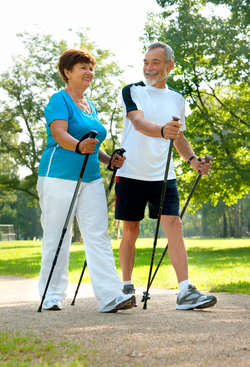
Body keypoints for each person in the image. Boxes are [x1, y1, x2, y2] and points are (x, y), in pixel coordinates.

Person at [115, 42, 217, 310]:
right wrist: (163, 131)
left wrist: (193, 161)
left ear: (170, 66)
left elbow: (178, 135)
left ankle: (185, 291)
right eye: (146, 62)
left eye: (156, 62)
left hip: (164, 176)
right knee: (131, 231)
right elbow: (138, 122)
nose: (149, 68)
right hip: (131, 174)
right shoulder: (132, 91)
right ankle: (126, 287)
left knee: (175, 226)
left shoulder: (177, 99)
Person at [37, 48, 136, 313]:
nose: (89, 73)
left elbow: (92, 143)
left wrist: (107, 160)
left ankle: (110, 296)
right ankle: (51, 295)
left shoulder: (89, 105)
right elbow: (59, 134)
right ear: (67, 72)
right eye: (83, 68)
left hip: (90, 178)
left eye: (91, 68)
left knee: (98, 236)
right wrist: (79, 146)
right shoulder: (59, 100)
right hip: (58, 176)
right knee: (58, 235)